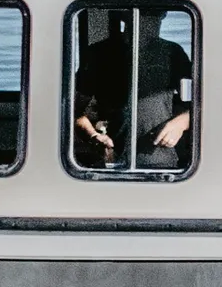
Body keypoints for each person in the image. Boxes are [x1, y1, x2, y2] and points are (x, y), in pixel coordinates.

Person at [71, 9, 194, 174]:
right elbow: (73, 111)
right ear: (127, 17)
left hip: (163, 164)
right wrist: (94, 137)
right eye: (146, 15)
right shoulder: (99, 54)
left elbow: (200, 105)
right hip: (113, 163)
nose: (154, 21)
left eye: (157, 14)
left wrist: (180, 123)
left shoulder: (173, 53)